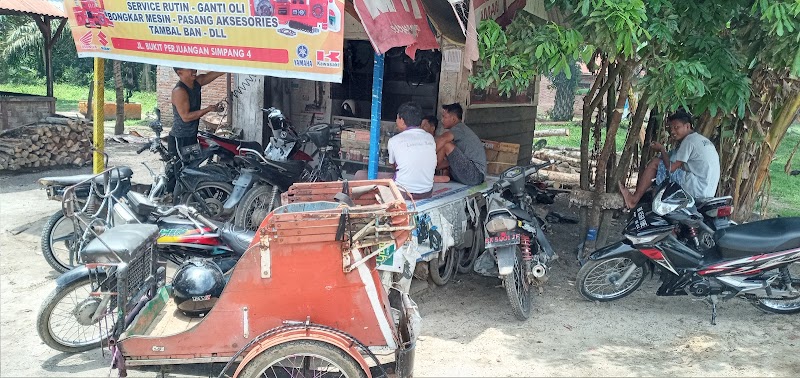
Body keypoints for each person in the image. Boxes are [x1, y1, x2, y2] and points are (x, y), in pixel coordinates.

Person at [619, 109, 719, 208]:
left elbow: (671, 168)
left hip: (696, 188)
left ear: (687, 126)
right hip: (707, 191)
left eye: (676, 127)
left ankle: (633, 200)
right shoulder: (701, 140)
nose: (672, 132)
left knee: (655, 163)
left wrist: (662, 149)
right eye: (670, 128)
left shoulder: (688, 141)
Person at [354, 103, 437, 199]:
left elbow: (393, 166)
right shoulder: (430, 137)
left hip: (403, 192)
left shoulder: (395, 140)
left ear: (402, 120)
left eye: (397, 118)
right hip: (427, 192)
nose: (396, 121)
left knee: (359, 175)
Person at [170, 67, 225, 154]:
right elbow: (186, 117)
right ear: (180, 72)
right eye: (189, 69)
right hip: (181, 137)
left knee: (193, 165)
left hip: (192, 134)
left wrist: (231, 66)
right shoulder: (179, 91)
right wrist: (208, 109)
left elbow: (216, 73)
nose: (194, 70)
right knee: (181, 166)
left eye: (193, 67)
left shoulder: (196, 83)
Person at [434, 103, 487, 185]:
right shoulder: (459, 132)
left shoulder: (459, 128)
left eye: (444, 117)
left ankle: (428, 171)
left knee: (446, 145)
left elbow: (442, 139)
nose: (442, 120)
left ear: (453, 119)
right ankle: (443, 177)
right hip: (474, 176)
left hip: (474, 174)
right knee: (446, 154)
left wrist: (427, 159)